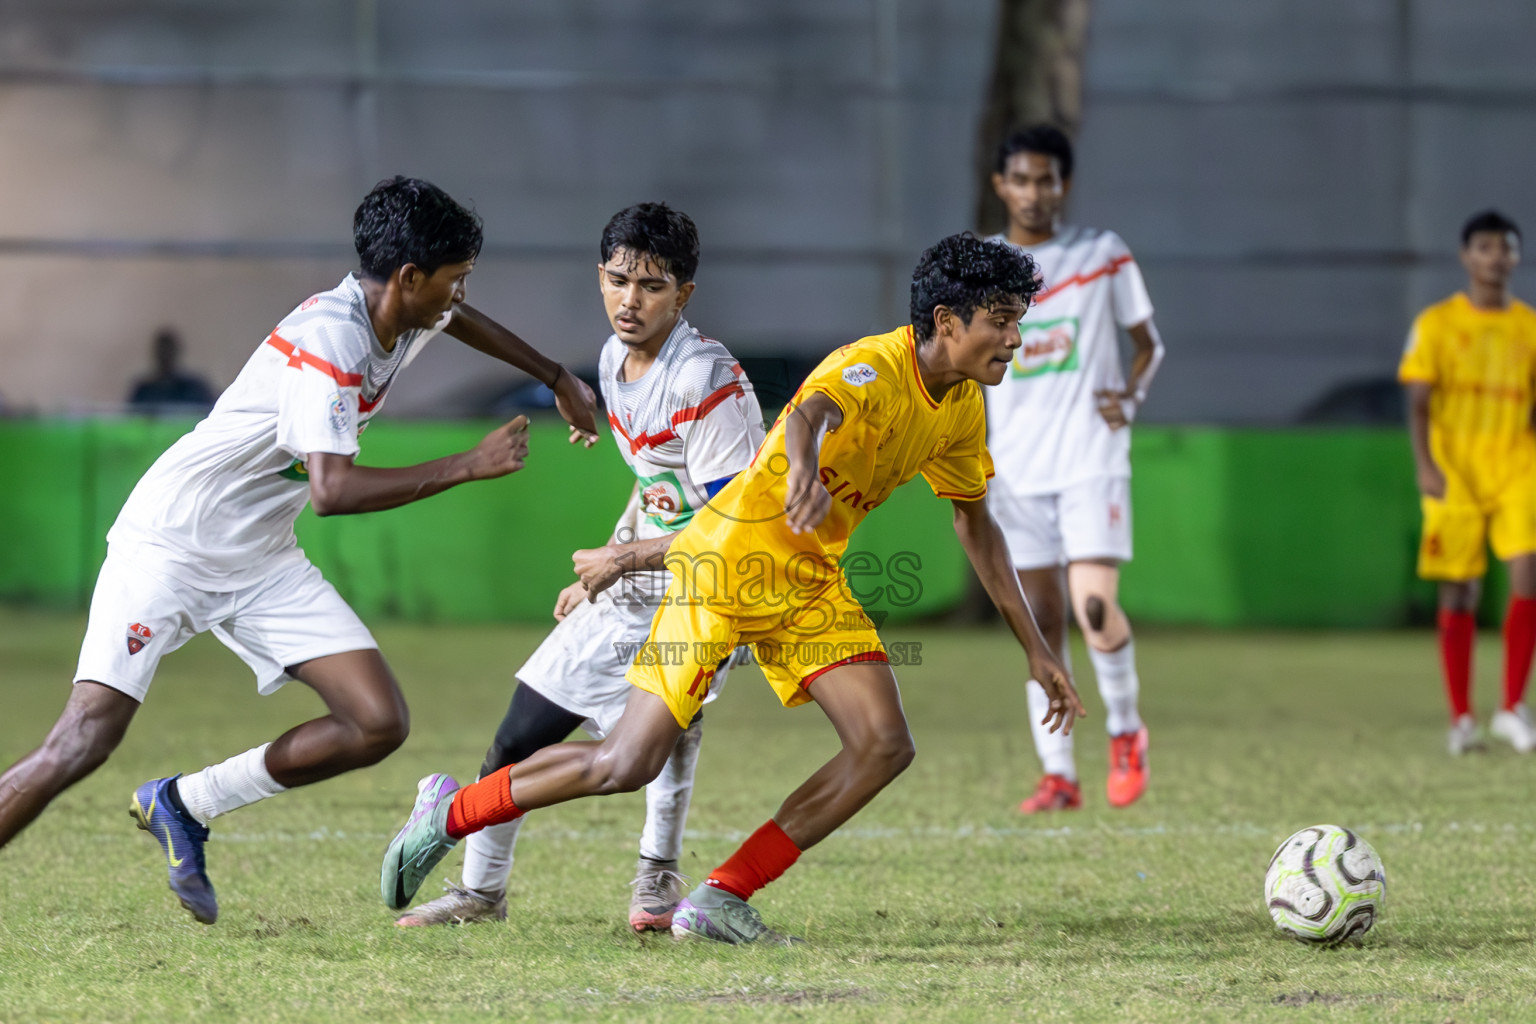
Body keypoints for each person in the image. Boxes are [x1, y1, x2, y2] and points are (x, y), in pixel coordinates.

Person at [381, 233, 1084, 944]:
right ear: (946, 321)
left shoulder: (960, 404)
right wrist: (803, 466)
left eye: (1017, 319)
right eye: (1001, 319)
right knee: (625, 763)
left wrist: (1038, 651)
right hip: (727, 565)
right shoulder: (873, 364)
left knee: (883, 745)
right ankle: (450, 813)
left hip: (807, 579)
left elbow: (976, 526)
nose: (1015, 337)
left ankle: (721, 897)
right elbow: (813, 411)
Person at [0, 176, 600, 925]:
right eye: (455, 280)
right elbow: (333, 491)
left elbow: (462, 320)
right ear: (410, 279)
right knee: (82, 740)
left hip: (258, 555)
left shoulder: (406, 313)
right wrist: (464, 465)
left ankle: (185, 804)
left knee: (376, 721)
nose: (460, 295)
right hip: (172, 543)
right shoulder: (332, 340)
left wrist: (553, 376)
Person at [392, 202, 764, 932]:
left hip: (706, 590)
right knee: (527, 735)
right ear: (600, 277)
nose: (631, 299)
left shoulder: (704, 382)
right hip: (641, 581)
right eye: (619, 280)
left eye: (652, 286)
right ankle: (493, 894)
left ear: (683, 295)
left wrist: (623, 559)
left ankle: (646, 881)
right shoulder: (611, 361)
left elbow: (740, 525)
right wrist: (608, 559)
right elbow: (658, 486)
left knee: (648, 741)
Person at [986, 125, 1165, 814]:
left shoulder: (1102, 254)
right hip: (1014, 469)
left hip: (1091, 457)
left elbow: (1148, 344)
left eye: (1048, 179)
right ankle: (1058, 773)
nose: (1035, 192)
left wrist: (1133, 396)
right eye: (1022, 179)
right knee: (1042, 623)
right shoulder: (987, 265)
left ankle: (1125, 731)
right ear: (1002, 185)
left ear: (1065, 184)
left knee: (1094, 606)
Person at [1399, 209, 1536, 755]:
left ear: (1516, 257)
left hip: (1517, 465)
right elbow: (1417, 402)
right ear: (1466, 257)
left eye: (1505, 248)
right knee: (1460, 588)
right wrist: (1425, 466)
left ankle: (1512, 708)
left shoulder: (1528, 325)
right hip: (1454, 468)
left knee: (1528, 570)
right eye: (1484, 248)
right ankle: (1462, 717)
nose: (1495, 257)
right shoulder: (1436, 324)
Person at [126, 327, 218, 412]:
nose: (165, 356)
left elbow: (210, 413)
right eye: (162, 351)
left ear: (176, 352)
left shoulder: (195, 388)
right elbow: (131, 419)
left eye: (169, 351)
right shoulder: (144, 390)